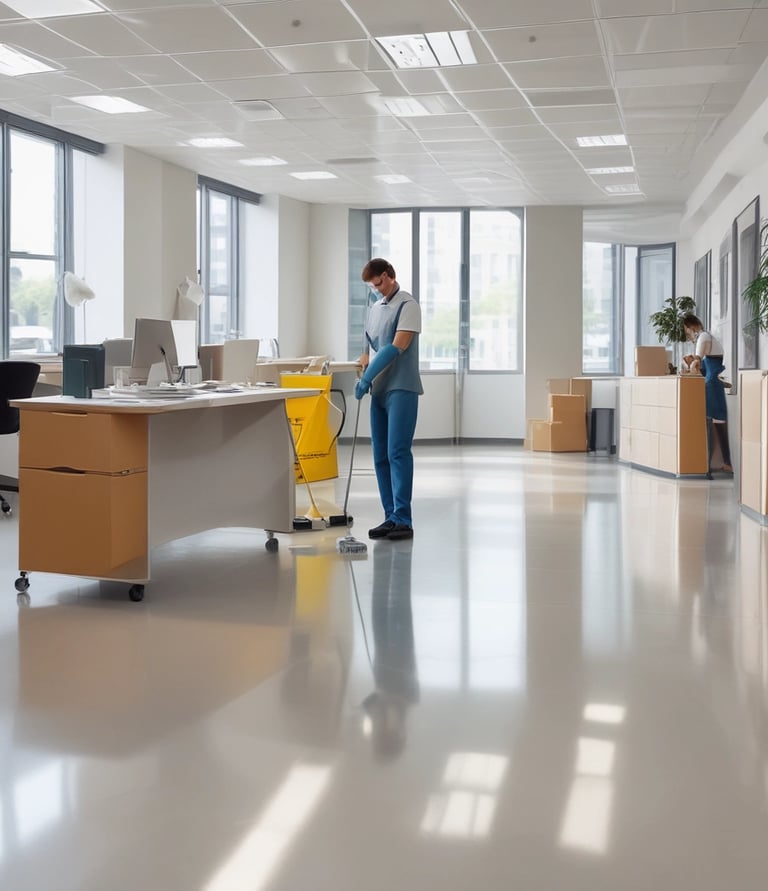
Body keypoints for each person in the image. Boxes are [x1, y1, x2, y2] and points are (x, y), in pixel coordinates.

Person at [356, 258, 423, 541]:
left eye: (378, 283)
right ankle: (389, 516)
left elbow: (397, 346)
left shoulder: (408, 306)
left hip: (402, 388)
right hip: (380, 391)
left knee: (397, 452)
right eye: (371, 286)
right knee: (380, 456)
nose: (375, 289)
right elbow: (369, 348)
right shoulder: (374, 309)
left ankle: (403, 518)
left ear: (390, 276)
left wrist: (368, 377)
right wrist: (362, 368)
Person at [682, 313, 733, 473]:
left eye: (687, 330)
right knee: (718, 422)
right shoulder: (707, 336)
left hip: (712, 382)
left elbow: (697, 362)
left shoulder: (703, 337)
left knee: (714, 422)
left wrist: (689, 364)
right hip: (713, 380)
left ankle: (715, 463)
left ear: (690, 326)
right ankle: (724, 461)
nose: (688, 333)